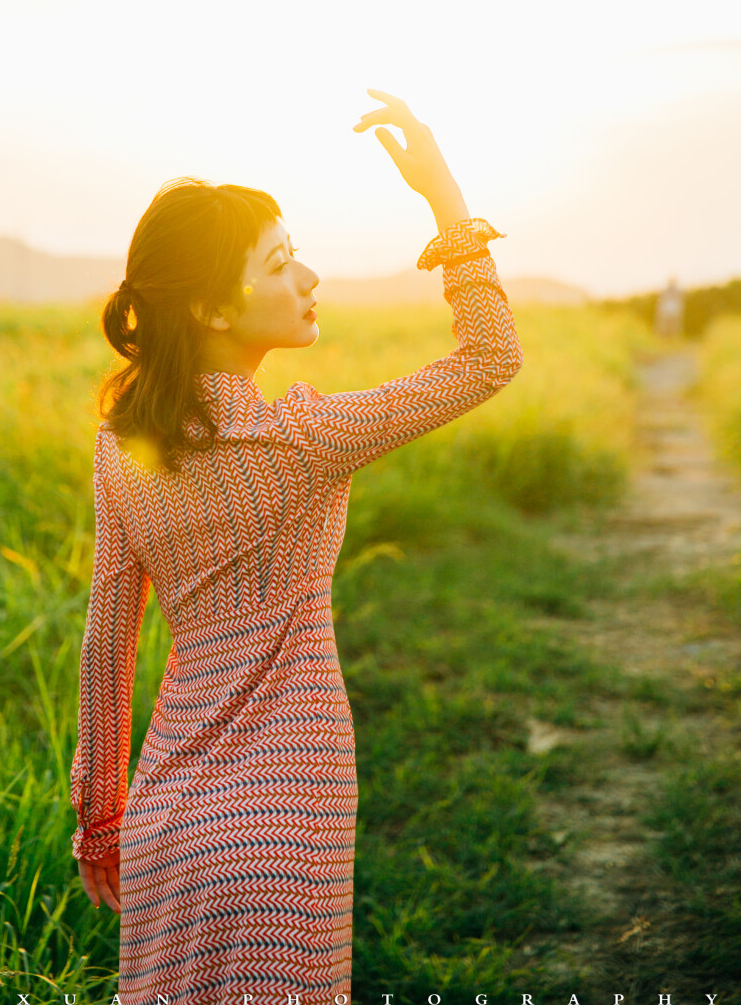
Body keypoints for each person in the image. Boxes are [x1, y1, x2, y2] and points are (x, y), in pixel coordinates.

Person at [69, 89, 524, 1003]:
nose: (308, 280)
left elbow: (105, 645)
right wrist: (445, 202)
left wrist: (100, 822)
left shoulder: (120, 452)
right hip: (286, 820)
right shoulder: (306, 439)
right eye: (281, 264)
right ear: (212, 309)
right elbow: (490, 357)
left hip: (163, 825)